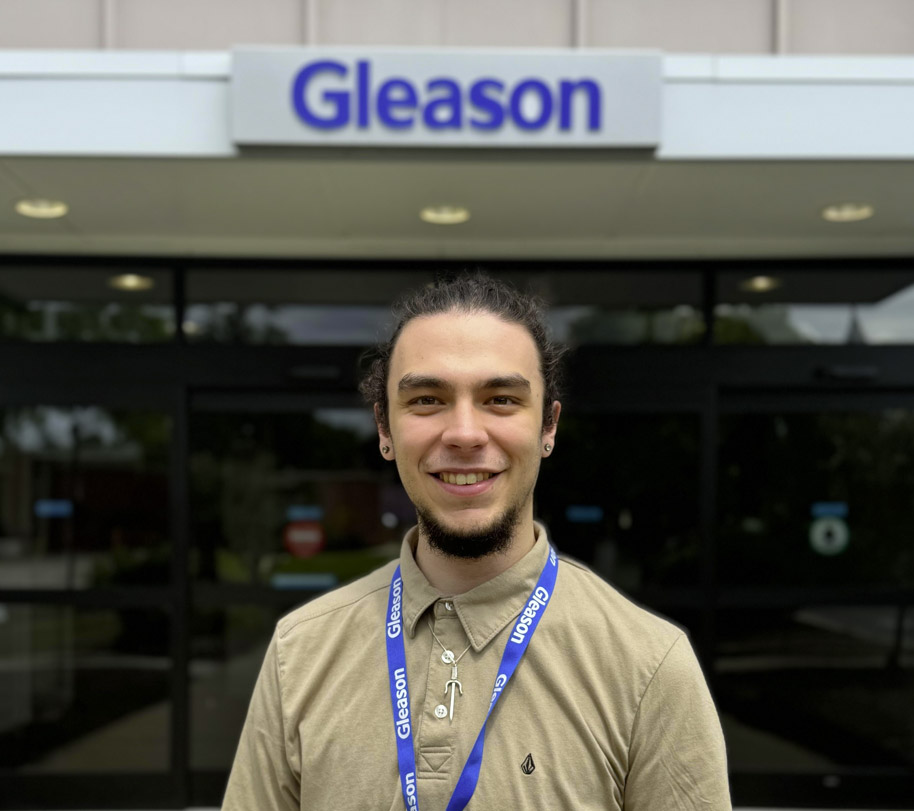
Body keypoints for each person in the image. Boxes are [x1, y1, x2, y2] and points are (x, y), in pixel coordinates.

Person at [223, 273, 731, 810]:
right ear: (384, 429)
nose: (464, 433)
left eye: (501, 399)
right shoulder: (299, 652)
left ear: (548, 427)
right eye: (426, 399)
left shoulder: (649, 666)